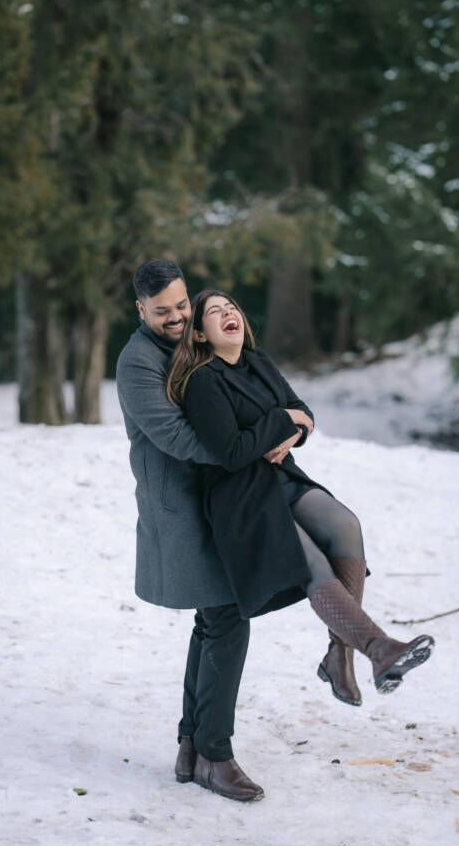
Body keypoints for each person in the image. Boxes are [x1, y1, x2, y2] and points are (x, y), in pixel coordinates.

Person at [167, 288, 435, 733]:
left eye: (231, 307)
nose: (229, 313)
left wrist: (295, 428)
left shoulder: (257, 361)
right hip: (241, 496)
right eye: (214, 312)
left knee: (345, 525)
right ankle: (378, 648)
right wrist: (284, 420)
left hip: (281, 478)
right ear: (199, 334)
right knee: (310, 561)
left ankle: (338, 654)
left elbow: (303, 411)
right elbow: (232, 453)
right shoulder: (203, 382)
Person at [116, 260, 312, 803]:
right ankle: (214, 755)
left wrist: (279, 428)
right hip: (179, 504)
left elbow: (251, 393)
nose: (176, 317)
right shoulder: (137, 362)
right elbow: (178, 437)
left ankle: (192, 746)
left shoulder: (190, 342)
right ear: (140, 310)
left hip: (219, 497)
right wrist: (253, 444)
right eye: (162, 311)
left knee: (215, 618)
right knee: (227, 617)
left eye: (182, 305)